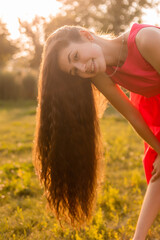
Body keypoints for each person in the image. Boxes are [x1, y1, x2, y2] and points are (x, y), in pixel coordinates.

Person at [33, 22, 160, 238]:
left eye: (75, 57)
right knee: (157, 165)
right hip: (152, 103)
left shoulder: (145, 40)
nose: (83, 69)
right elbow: (131, 115)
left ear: (85, 35)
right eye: (75, 71)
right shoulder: (99, 72)